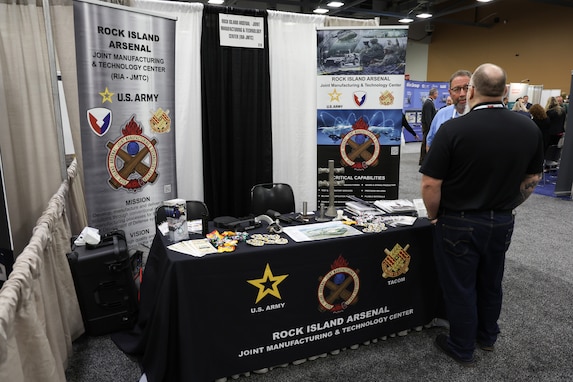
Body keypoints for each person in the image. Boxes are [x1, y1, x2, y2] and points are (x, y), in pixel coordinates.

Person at [420, 63, 544, 367]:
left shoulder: (453, 129)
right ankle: (487, 337)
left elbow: (430, 183)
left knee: (460, 285)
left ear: (472, 90)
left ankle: (461, 346)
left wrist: (434, 216)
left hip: (457, 221)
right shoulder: (528, 127)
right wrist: (507, 205)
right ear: (504, 92)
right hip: (501, 220)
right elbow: (532, 180)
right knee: (491, 281)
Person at [425, 70, 472, 152]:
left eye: (466, 88)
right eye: (456, 89)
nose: (462, 94)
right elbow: (430, 144)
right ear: (450, 93)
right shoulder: (441, 115)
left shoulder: (483, 117)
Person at [419, 87, 438, 164]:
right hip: (427, 127)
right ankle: (423, 160)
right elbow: (428, 117)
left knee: (426, 141)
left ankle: (424, 159)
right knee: (425, 142)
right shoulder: (428, 103)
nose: (437, 95)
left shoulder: (429, 103)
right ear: (434, 94)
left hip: (427, 126)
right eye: (437, 93)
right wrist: (431, 128)